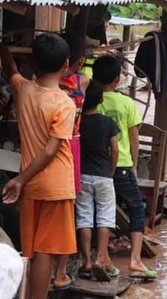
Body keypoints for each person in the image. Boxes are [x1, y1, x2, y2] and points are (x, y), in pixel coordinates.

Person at [0, 34, 77, 297]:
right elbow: (51, 149)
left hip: (31, 185)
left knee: (31, 250)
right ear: (65, 65)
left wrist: (3, 47)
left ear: (33, 62)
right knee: (45, 251)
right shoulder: (64, 103)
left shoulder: (22, 88)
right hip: (55, 184)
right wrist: (19, 180)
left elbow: (10, 68)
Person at [93, 56, 156, 280]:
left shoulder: (92, 101)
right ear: (118, 79)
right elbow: (134, 137)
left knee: (101, 210)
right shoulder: (127, 103)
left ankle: (97, 255)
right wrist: (134, 165)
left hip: (96, 166)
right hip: (121, 165)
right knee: (137, 208)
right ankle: (135, 260)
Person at [76, 79, 120, 281]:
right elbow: (115, 149)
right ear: (101, 99)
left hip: (82, 176)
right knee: (105, 217)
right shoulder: (107, 123)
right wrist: (110, 171)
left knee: (84, 217)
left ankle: (86, 261)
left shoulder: (77, 123)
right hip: (103, 175)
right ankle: (101, 257)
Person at [56, 32, 91, 286]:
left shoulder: (43, 84)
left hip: (50, 142)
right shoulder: (83, 80)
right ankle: (60, 270)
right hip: (72, 144)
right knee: (68, 207)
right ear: (77, 61)